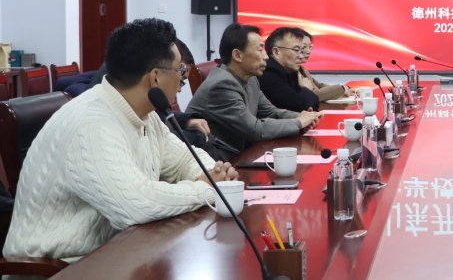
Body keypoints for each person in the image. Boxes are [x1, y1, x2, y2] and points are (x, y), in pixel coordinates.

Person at [2, 18, 238, 261]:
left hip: (116, 252)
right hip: (58, 267)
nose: (181, 81)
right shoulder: (91, 123)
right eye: (179, 71)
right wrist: (205, 189)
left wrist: (214, 173)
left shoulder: (145, 114)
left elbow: (182, 160)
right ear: (155, 78)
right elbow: (137, 204)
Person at [186, 23, 322, 161]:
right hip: (219, 162)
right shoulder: (221, 85)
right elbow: (255, 129)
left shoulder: (250, 79)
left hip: (243, 154)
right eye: (260, 50)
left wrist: (304, 117)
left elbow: (271, 112)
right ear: (238, 55)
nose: (266, 56)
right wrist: (299, 122)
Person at [259, 27, 321, 112]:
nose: (301, 56)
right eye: (296, 50)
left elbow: (315, 102)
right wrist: (306, 88)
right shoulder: (267, 72)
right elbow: (298, 105)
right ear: (276, 52)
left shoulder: (291, 71)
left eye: (301, 50)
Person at [294, 28, 354, 101]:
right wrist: (342, 89)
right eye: (304, 47)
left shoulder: (302, 68)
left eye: (310, 47)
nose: (308, 51)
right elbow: (313, 95)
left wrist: (344, 89)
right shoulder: (291, 72)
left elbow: (319, 86)